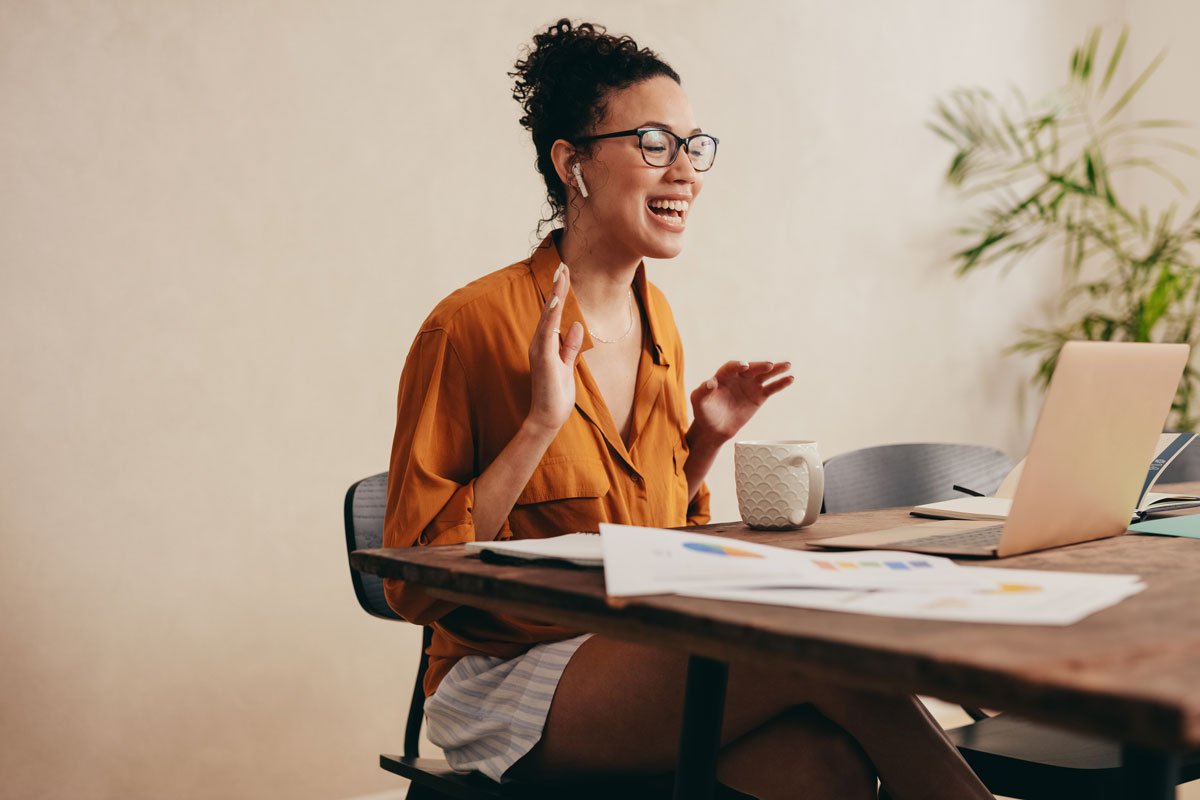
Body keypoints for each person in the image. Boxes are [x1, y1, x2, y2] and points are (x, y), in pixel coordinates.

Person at [383, 19, 993, 800]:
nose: (687, 172)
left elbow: (657, 539)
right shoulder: (469, 327)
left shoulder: (658, 318)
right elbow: (415, 584)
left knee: (824, 766)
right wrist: (541, 422)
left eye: (694, 146)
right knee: (815, 646)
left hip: (640, 641)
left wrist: (702, 442)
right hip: (509, 678)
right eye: (654, 143)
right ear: (572, 163)